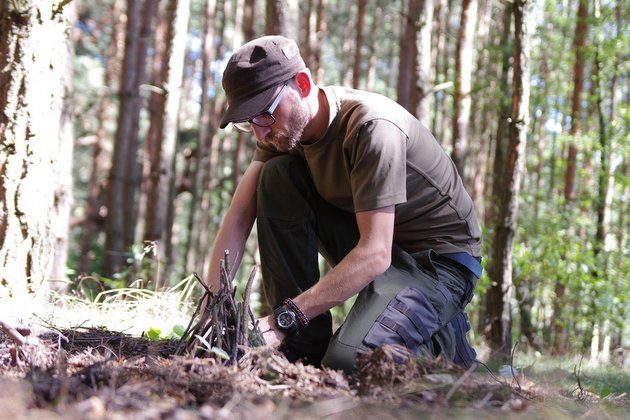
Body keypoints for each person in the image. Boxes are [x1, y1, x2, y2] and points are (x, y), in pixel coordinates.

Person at [207, 35, 482, 372]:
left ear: (303, 84)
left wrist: (284, 319)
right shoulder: (281, 131)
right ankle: (302, 344)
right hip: (377, 245)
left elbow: (376, 252)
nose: (259, 134)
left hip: (438, 264)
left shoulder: (371, 127)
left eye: (264, 114)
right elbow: (239, 215)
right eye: (248, 122)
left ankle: (445, 341)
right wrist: (213, 309)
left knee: (349, 362)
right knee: (277, 175)